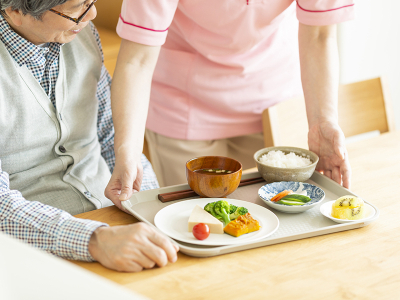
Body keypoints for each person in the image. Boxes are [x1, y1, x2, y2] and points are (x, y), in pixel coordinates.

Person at [105, 0, 353, 205]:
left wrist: (322, 121)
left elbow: (320, 34)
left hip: (273, 101)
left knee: (273, 219)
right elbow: (135, 61)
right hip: (184, 106)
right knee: (197, 219)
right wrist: (128, 150)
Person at [0, 0, 178, 272]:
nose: (92, 14)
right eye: (76, 7)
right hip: (37, 249)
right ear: (15, 12)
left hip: (115, 225)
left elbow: (110, 136)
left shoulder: (82, 35)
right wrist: (94, 239)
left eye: (91, 1)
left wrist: (153, 206)